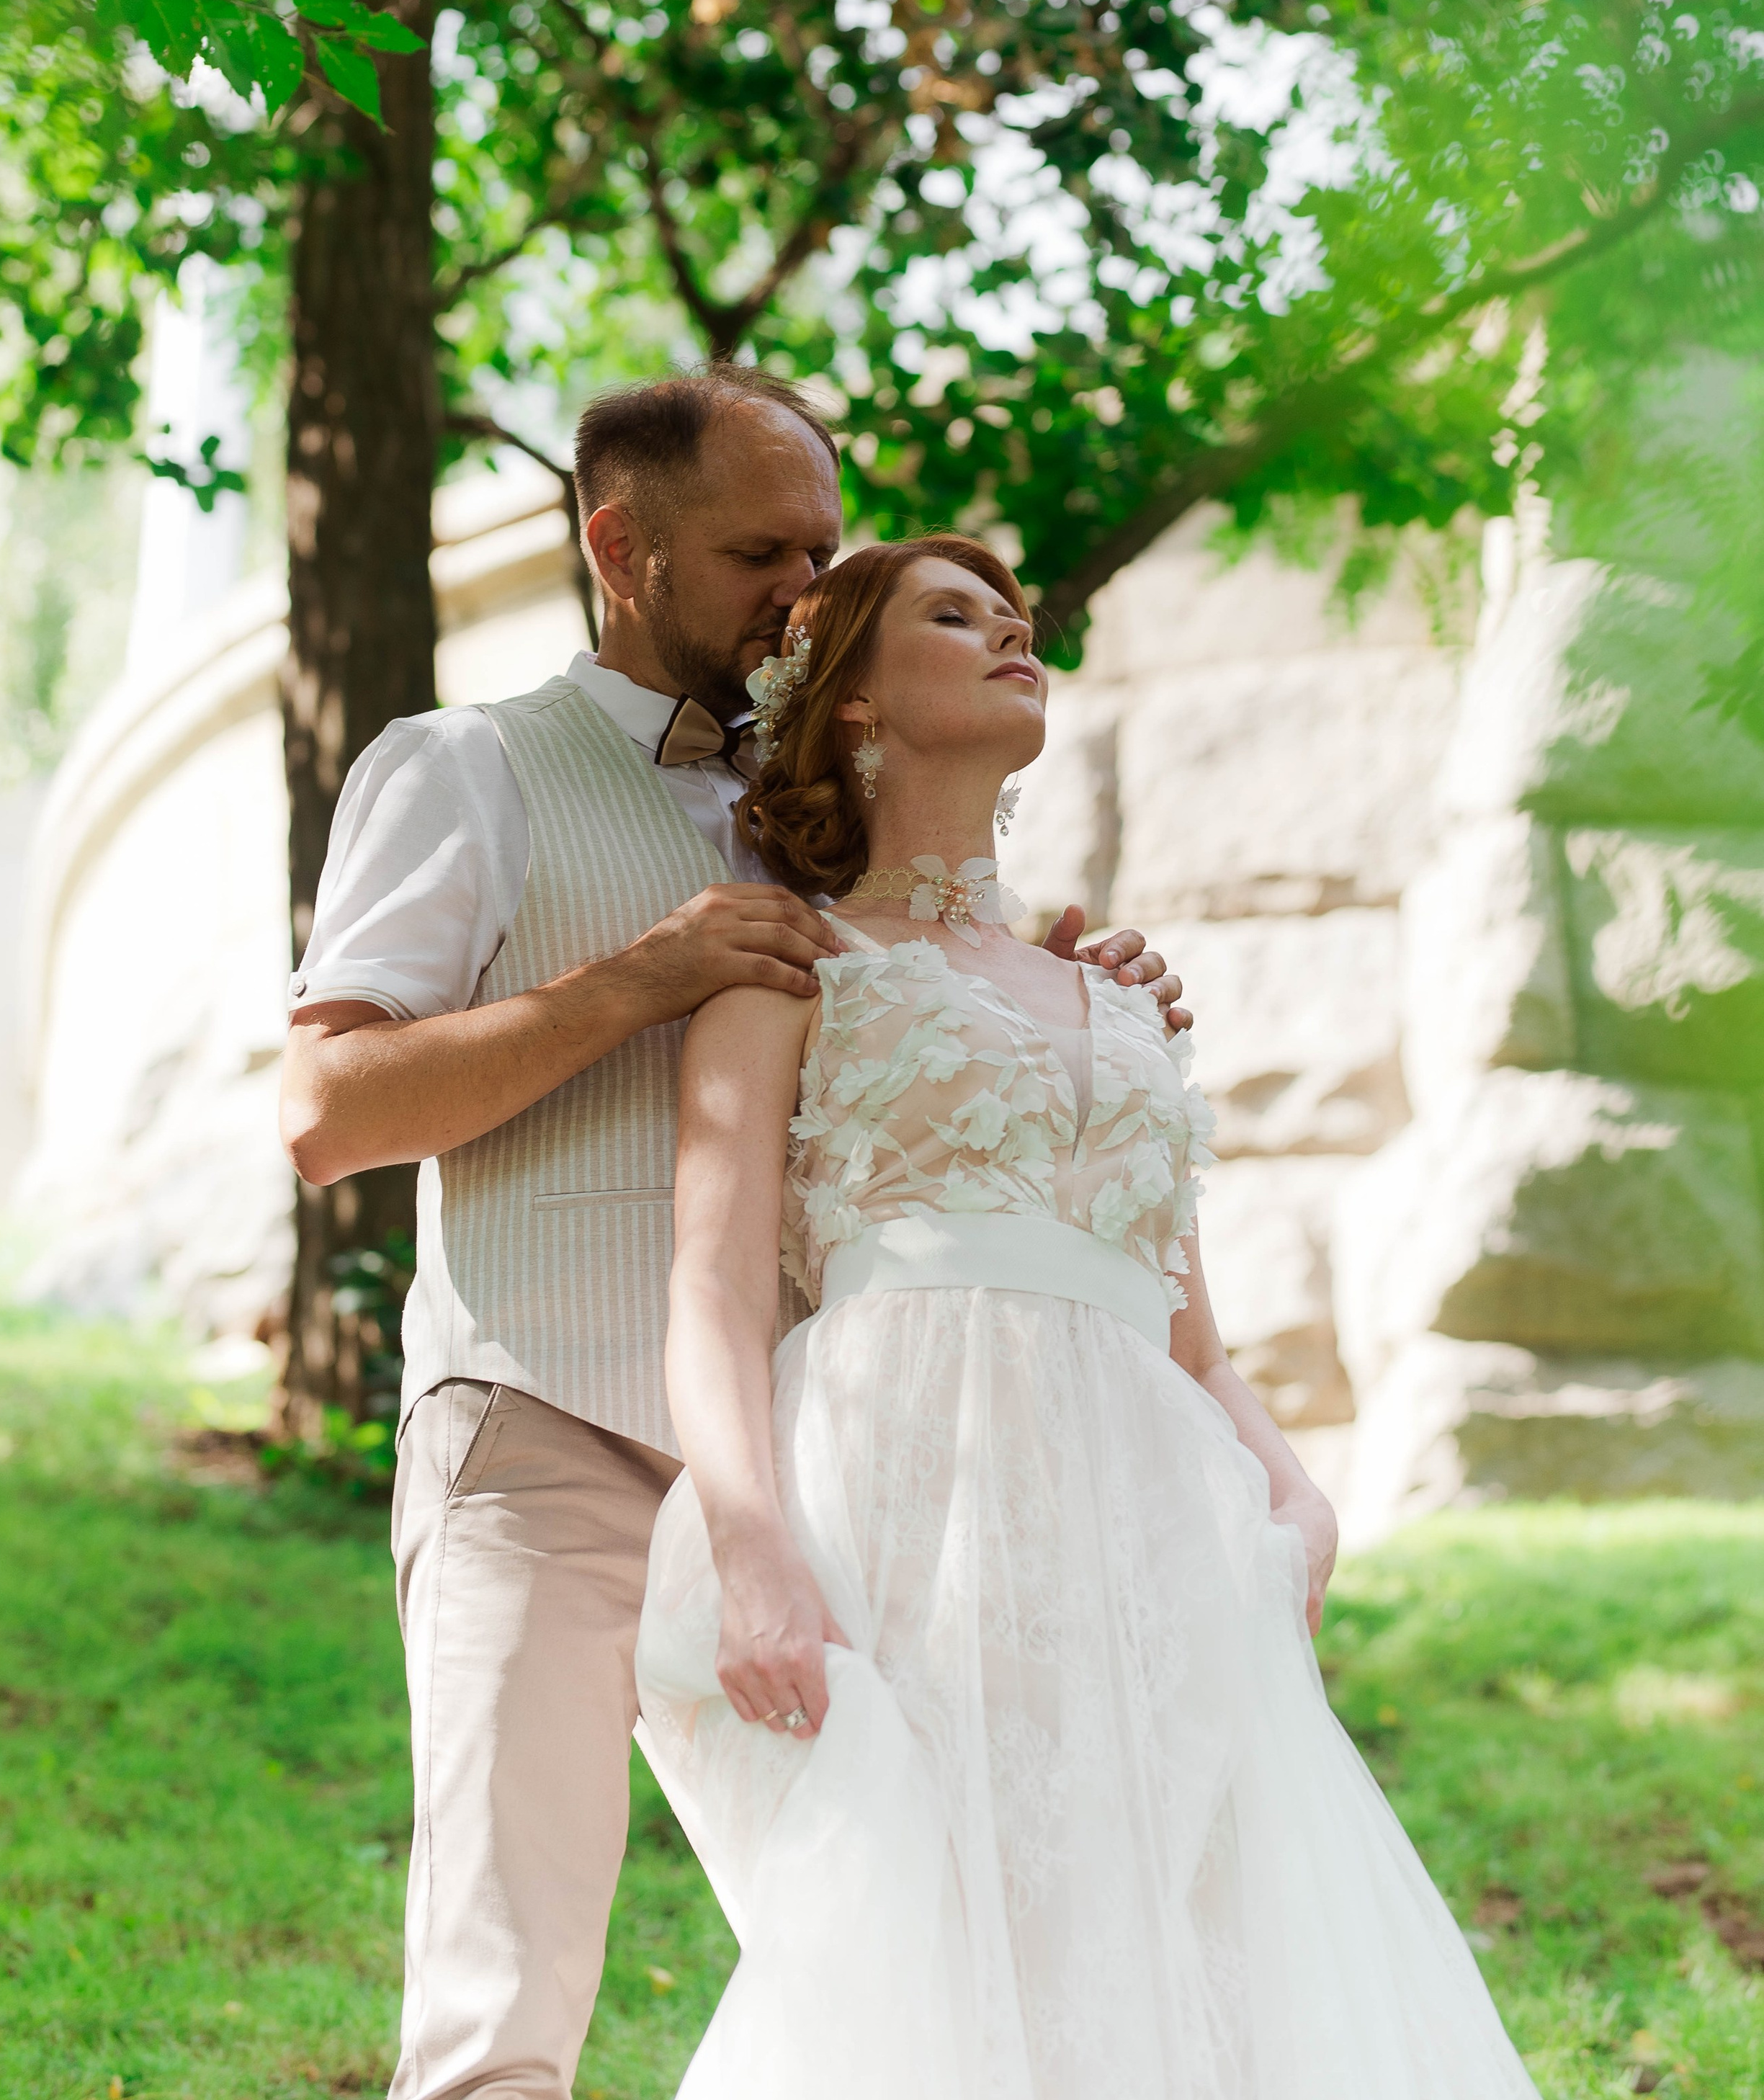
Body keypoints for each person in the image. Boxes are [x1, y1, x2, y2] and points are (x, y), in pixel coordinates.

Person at [277, 368, 1190, 2100]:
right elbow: (329, 1112)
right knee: (503, 2004)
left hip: (825, 1479)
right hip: (543, 1446)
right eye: (759, 552)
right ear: (620, 546)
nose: (803, 591)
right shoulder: (465, 768)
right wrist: (639, 979)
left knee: (907, 1976)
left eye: (822, 550)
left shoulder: (838, 778)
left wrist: (1083, 987)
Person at [636, 532, 1543, 2100]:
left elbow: (1185, 1328)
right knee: (939, 1945)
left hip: (1142, 1519)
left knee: (1173, 1936)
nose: (1008, 632)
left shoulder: (1120, 995)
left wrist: (1287, 1477)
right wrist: (747, 1538)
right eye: (952, 615)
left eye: (1016, 617)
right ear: (851, 700)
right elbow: (711, 1287)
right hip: (917, 1492)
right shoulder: (790, 967)